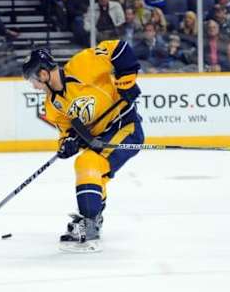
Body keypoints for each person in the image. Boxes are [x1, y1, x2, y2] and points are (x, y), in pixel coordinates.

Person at [22, 40, 144, 252]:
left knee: (87, 162)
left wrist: (126, 83)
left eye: (33, 79)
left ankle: (90, 226)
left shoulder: (82, 65)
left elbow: (119, 49)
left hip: (125, 127)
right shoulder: (52, 105)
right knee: (92, 170)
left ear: (43, 74)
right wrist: (67, 143)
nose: (34, 85)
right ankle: (92, 217)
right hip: (99, 140)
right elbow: (67, 131)